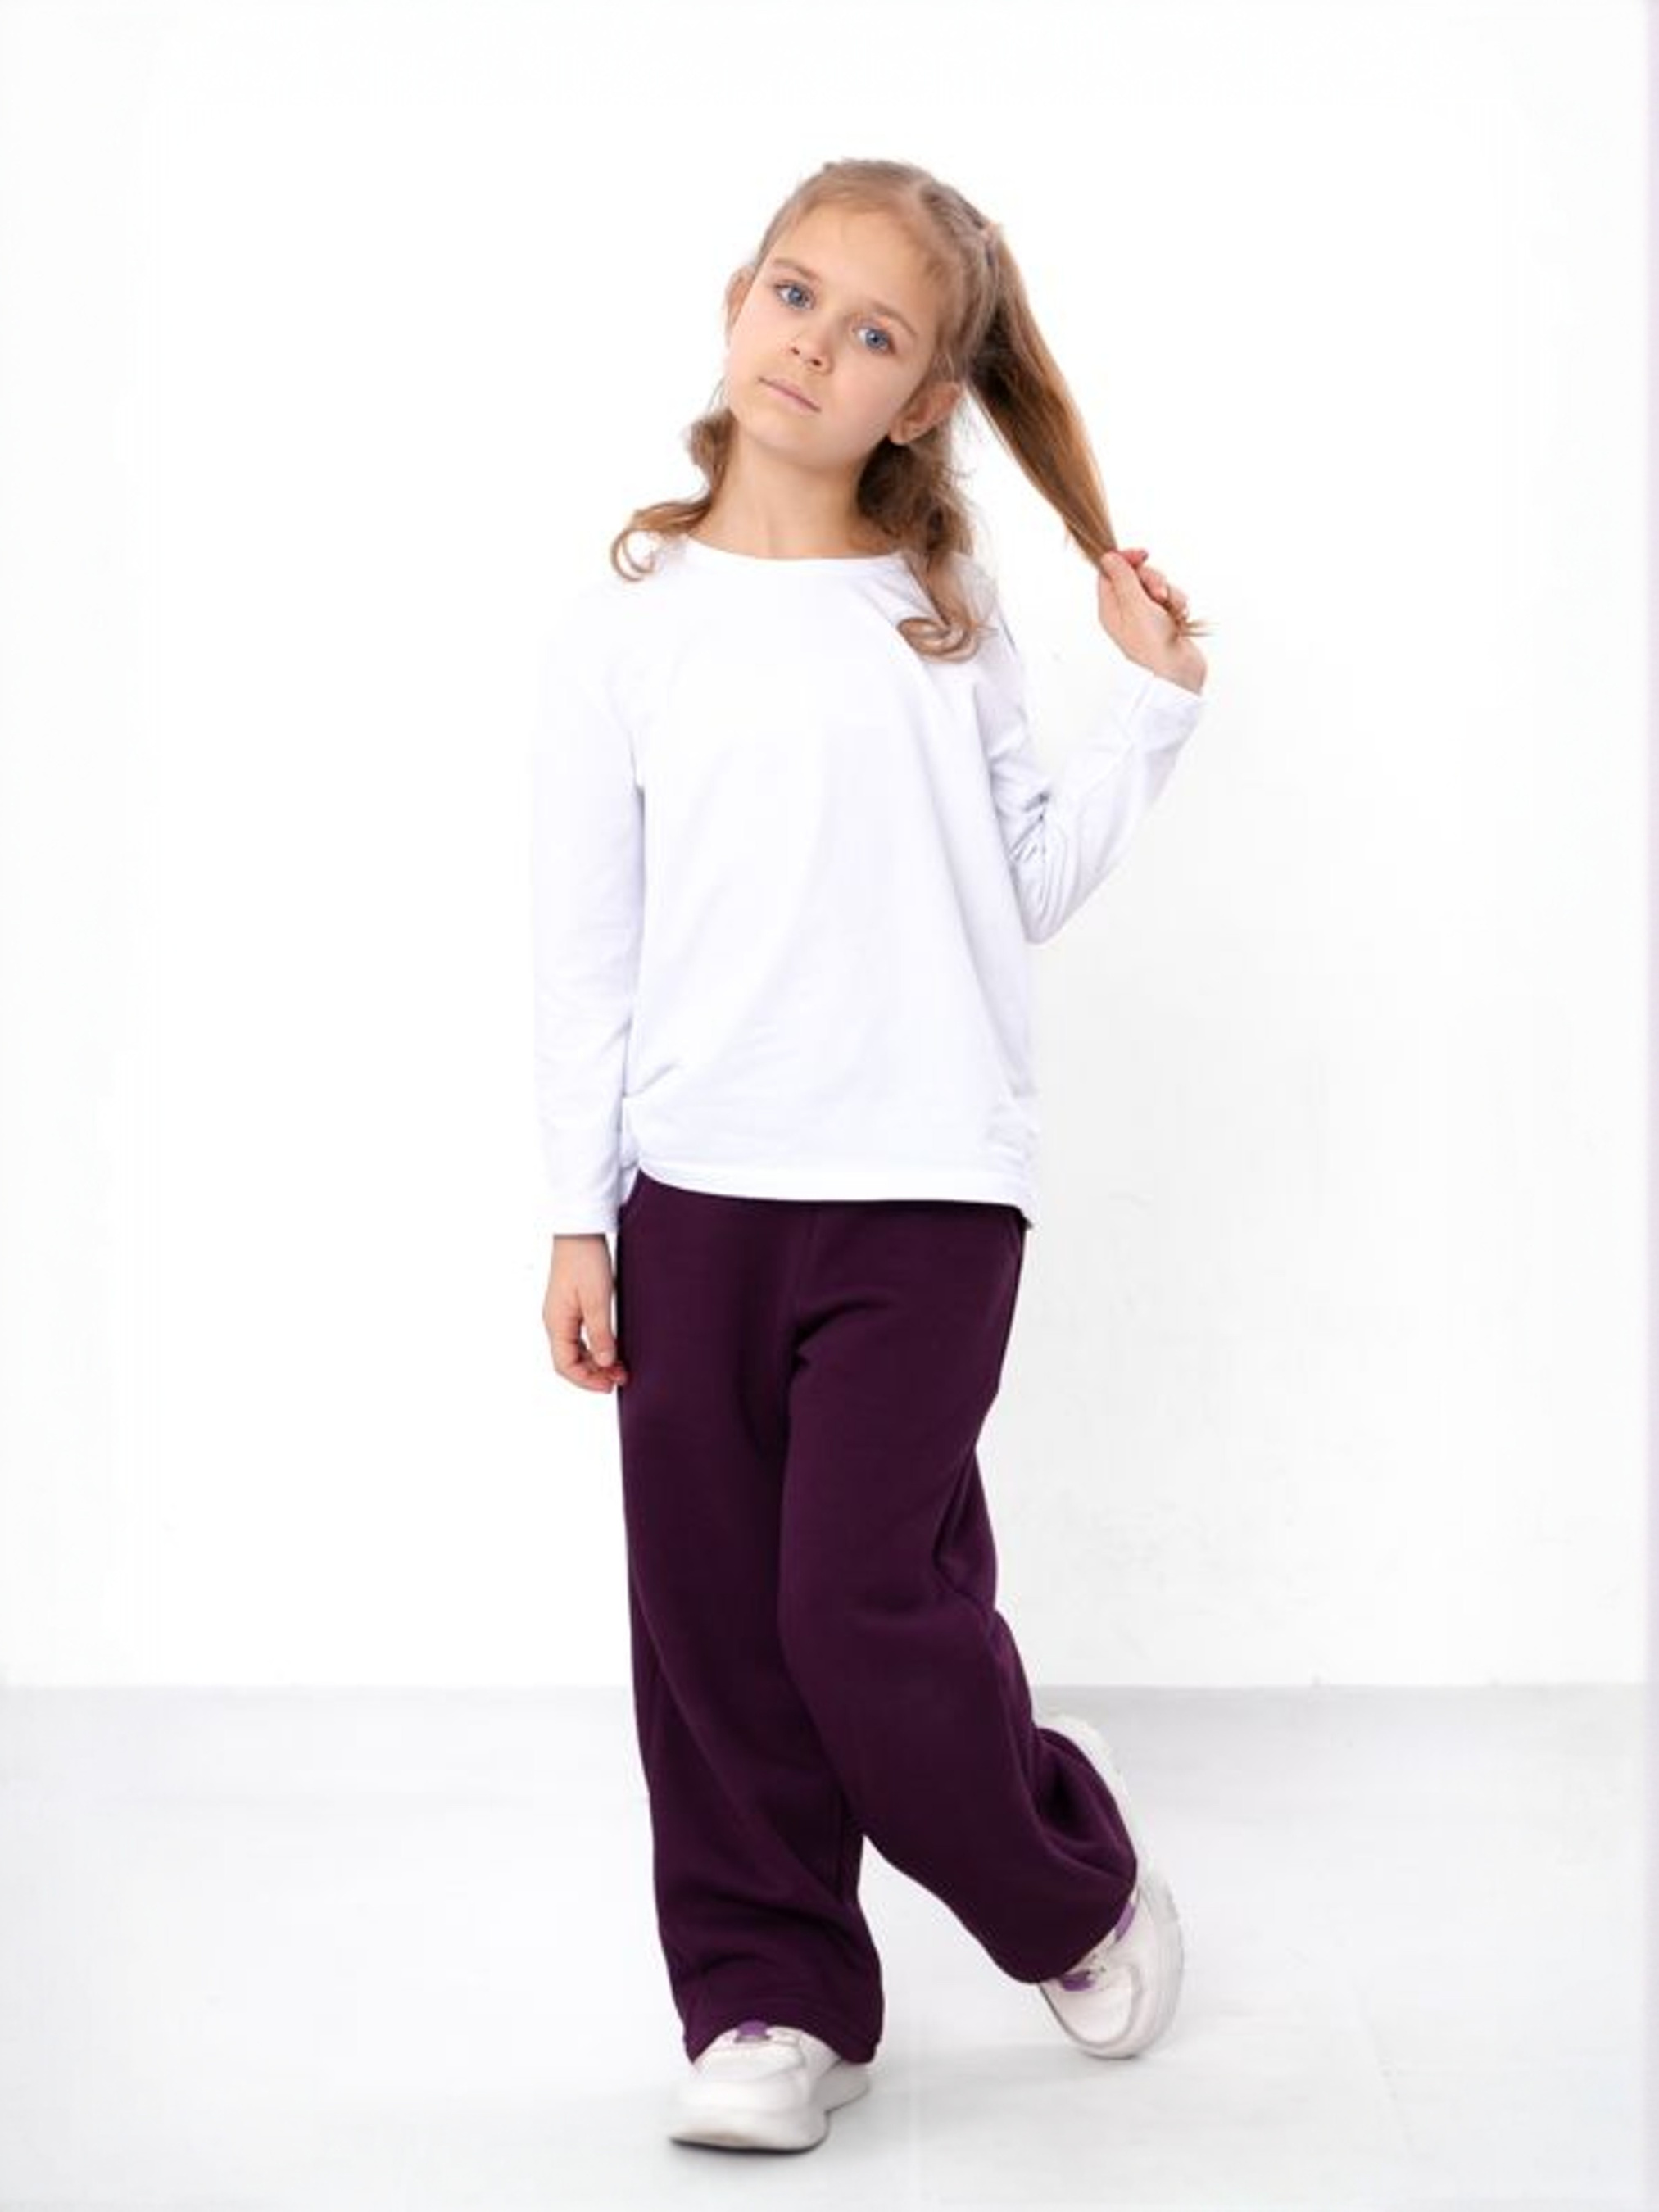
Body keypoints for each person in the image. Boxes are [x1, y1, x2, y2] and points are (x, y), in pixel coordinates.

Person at [531, 156, 1211, 2155]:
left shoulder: (941, 617)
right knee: (711, 1637)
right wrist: (577, 1215)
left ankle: (1067, 1894)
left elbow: (1016, 887)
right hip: (693, 1200)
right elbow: (583, 942)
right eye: (794, 294)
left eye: (874, 332)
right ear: (737, 296)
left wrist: (1147, 712)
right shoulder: (629, 622)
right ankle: (769, 2001)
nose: (813, 346)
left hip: (923, 1195)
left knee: (857, 1613)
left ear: (922, 400)